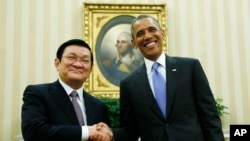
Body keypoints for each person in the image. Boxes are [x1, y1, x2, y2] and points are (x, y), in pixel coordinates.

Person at [112, 14, 224, 141]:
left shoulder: (190, 68)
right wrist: (109, 133)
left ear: (162, 33)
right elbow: (129, 131)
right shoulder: (129, 84)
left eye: (152, 30)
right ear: (134, 43)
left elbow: (210, 117)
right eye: (140, 34)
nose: (148, 36)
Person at [21, 39, 113, 141]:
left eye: (85, 60)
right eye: (71, 58)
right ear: (57, 63)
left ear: (90, 69)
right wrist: (87, 131)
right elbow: (33, 133)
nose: (78, 64)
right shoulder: (37, 93)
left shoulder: (98, 106)